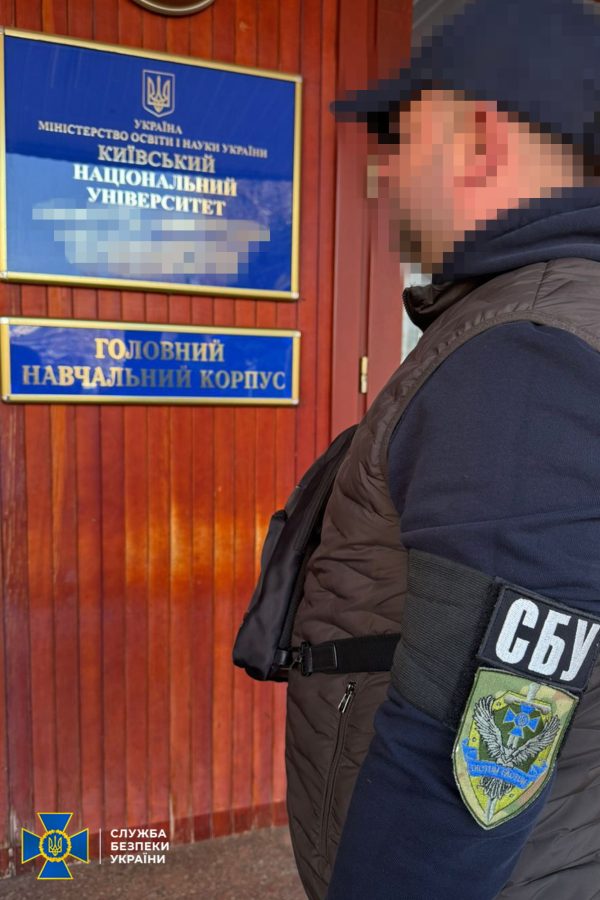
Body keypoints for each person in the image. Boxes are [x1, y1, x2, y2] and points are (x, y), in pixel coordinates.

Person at [294, 0, 600, 897]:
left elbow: (462, 768)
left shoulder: (528, 361)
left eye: (400, 136)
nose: (383, 169)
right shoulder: (549, 322)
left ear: (479, 140)